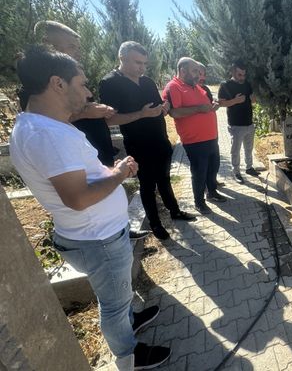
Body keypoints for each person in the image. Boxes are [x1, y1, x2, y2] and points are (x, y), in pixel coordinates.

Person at [11, 45, 170, 370]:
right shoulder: (46, 135)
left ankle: (130, 320)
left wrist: (107, 170)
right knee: (113, 304)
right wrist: (119, 172)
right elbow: (79, 197)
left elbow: (75, 178)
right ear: (58, 83)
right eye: (82, 84)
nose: (88, 92)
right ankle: (128, 357)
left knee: (119, 296)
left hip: (98, 234)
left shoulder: (41, 125)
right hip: (98, 238)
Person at [18, 21, 151, 240]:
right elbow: (77, 197)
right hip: (96, 235)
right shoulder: (43, 125)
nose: (77, 52)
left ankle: (122, 232)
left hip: (91, 155)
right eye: (71, 46)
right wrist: (86, 113)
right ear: (48, 46)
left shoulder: (64, 78)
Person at [99, 41, 196, 240]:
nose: (142, 68)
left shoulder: (147, 82)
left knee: (164, 180)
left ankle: (175, 211)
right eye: (137, 63)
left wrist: (165, 107)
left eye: (145, 64)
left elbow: (159, 107)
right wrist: (141, 115)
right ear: (122, 58)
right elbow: (110, 120)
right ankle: (155, 224)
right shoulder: (110, 83)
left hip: (160, 141)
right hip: (138, 145)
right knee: (147, 186)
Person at [163, 57, 226, 215]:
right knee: (199, 172)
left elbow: (205, 107)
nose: (198, 74)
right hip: (195, 141)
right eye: (194, 71)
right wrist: (199, 108)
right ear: (182, 70)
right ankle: (199, 202)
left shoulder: (196, 86)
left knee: (213, 167)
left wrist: (213, 107)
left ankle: (212, 192)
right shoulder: (173, 87)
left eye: (199, 71)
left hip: (211, 137)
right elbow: (175, 112)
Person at [218, 61, 260, 183]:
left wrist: (254, 99)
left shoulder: (247, 84)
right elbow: (221, 103)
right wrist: (235, 101)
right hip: (236, 125)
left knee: (249, 148)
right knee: (235, 150)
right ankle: (236, 172)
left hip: (249, 123)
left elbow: (253, 100)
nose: (242, 77)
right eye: (239, 74)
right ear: (232, 72)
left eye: (244, 75)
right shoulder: (225, 85)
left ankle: (249, 167)